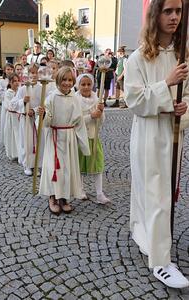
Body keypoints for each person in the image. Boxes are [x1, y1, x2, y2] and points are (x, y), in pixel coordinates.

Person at [124, 0, 189, 289]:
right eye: (168, 11)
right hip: (149, 134)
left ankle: (146, 237)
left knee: (163, 193)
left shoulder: (183, 55)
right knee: (151, 191)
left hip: (173, 134)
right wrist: (167, 83)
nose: (174, 17)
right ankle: (161, 261)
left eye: (178, 11)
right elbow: (134, 100)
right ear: (155, 15)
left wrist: (183, 108)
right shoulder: (138, 59)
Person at [38, 66, 90, 215]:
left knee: (68, 169)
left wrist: (83, 144)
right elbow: (47, 121)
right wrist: (42, 115)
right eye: (64, 80)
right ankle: (53, 197)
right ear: (58, 81)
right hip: (55, 137)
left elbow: (79, 121)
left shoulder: (74, 98)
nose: (67, 83)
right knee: (55, 169)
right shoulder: (51, 98)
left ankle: (65, 198)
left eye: (69, 80)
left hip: (69, 139)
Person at [75, 73, 110, 204]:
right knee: (80, 164)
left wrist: (100, 113)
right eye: (83, 84)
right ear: (78, 85)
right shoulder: (75, 100)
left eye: (89, 84)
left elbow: (101, 122)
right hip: (80, 137)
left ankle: (99, 193)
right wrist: (91, 116)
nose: (86, 87)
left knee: (98, 163)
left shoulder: (97, 99)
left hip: (94, 136)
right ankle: (81, 189)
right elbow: (75, 121)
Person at [10, 63, 43, 175]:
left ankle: (36, 165)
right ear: (27, 74)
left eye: (36, 72)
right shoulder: (22, 89)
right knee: (27, 142)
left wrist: (34, 110)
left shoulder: (41, 88)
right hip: (26, 120)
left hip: (37, 119)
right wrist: (23, 102)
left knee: (37, 143)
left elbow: (45, 102)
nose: (34, 75)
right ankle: (27, 165)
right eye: (32, 73)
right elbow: (13, 104)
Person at [0, 63, 14, 145]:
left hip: (14, 103)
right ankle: (6, 140)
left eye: (11, 69)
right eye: (8, 69)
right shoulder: (2, 81)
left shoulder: (15, 79)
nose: (10, 71)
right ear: (4, 71)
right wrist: (8, 93)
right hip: (6, 104)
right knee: (6, 121)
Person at [4, 73, 21, 160]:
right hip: (12, 116)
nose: (16, 83)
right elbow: (9, 106)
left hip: (18, 116)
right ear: (10, 82)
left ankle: (19, 152)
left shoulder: (19, 91)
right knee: (12, 134)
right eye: (14, 81)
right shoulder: (8, 93)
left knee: (19, 134)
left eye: (18, 81)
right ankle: (13, 153)